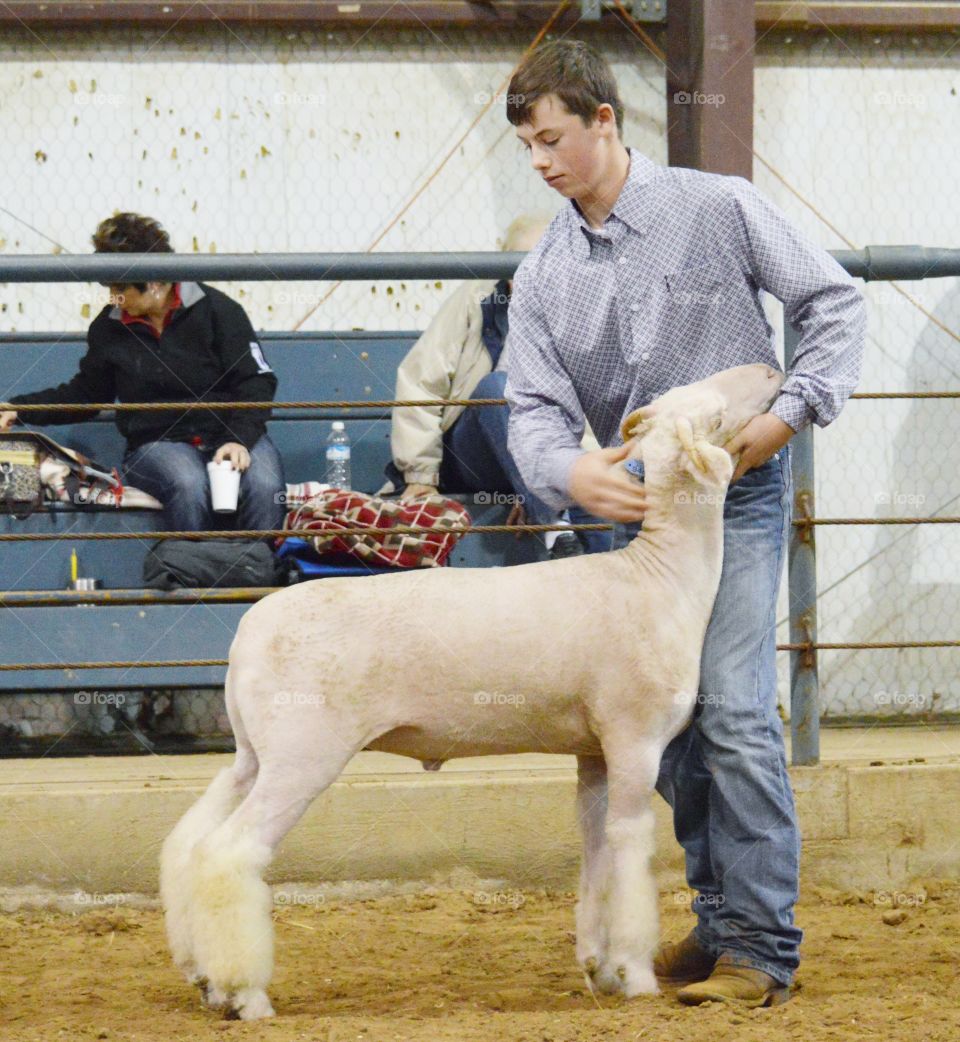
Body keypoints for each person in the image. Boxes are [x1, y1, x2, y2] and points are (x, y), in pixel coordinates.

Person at [504, 42, 865, 1004]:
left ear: (605, 121)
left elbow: (834, 302)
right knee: (660, 727)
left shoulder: (718, 207)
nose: (541, 162)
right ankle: (722, 919)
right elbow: (530, 408)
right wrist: (571, 471)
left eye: (553, 139)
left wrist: (784, 418)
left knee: (734, 706)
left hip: (733, 495)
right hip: (626, 513)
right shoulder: (543, 271)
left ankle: (760, 948)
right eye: (529, 148)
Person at [0, 213, 285, 534]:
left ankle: (260, 572)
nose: (114, 298)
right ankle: (193, 573)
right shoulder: (108, 327)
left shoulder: (219, 311)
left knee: (266, 486)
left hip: (230, 432)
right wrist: (20, 408)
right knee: (187, 484)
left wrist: (238, 439)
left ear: (154, 284)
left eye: (120, 289)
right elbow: (88, 394)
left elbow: (256, 380)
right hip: (157, 443)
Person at [385, 215, 610, 559]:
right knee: (498, 388)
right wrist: (420, 473)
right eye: (518, 261)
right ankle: (555, 526)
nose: (531, 272)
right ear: (502, 262)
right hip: (476, 453)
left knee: (600, 496)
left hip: (552, 463)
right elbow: (421, 382)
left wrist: (573, 475)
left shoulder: (581, 313)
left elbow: (596, 410)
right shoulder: (475, 300)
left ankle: (582, 553)